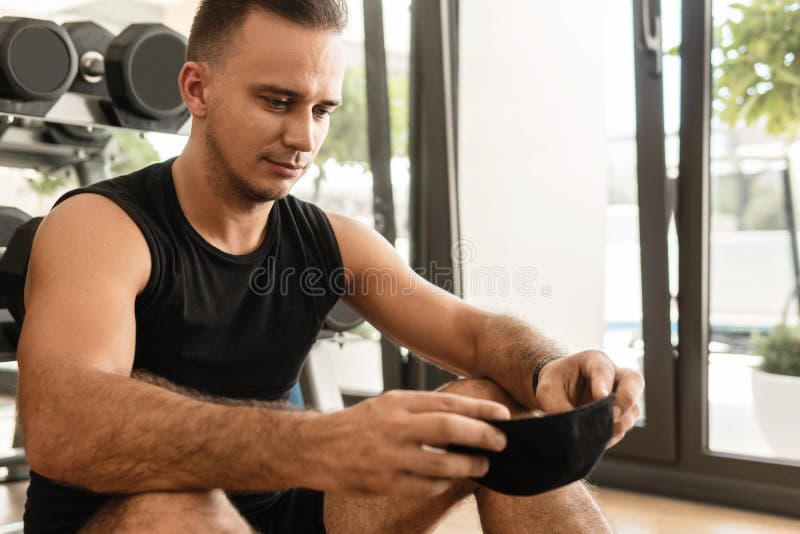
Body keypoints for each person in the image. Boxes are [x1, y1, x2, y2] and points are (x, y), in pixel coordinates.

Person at [16, 1, 644, 532]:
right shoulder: (102, 227)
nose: (303, 138)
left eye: (321, 111)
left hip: (282, 511)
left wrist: (547, 366)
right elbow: (62, 422)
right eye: (278, 101)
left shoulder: (328, 242)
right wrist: (321, 443)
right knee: (178, 502)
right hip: (127, 519)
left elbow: (473, 335)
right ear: (197, 90)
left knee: (487, 410)